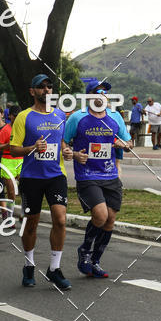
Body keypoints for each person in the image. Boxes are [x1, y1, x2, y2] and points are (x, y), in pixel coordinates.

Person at [9, 74, 73, 290]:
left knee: (60, 219)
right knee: (30, 223)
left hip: (56, 175)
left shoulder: (60, 115)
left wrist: (66, 150)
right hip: (31, 178)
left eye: (49, 86)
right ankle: (29, 265)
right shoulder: (24, 117)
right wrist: (31, 148)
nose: (46, 90)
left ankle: (54, 269)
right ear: (32, 91)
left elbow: (63, 141)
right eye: (41, 87)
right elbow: (13, 148)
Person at [65, 87, 132, 278]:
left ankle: (95, 260)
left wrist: (124, 145)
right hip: (87, 175)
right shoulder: (78, 117)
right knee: (101, 216)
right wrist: (74, 154)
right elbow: (64, 141)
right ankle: (85, 250)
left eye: (104, 93)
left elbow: (129, 143)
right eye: (97, 92)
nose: (101, 96)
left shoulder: (115, 116)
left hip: (110, 176)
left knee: (110, 219)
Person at [0, 104, 22, 218]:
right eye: (14, 116)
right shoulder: (5, 130)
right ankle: (10, 216)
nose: (16, 118)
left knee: (25, 190)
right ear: (10, 116)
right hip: (8, 161)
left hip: (21, 160)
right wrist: (9, 145)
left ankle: (24, 214)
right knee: (11, 192)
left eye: (18, 116)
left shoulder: (24, 128)